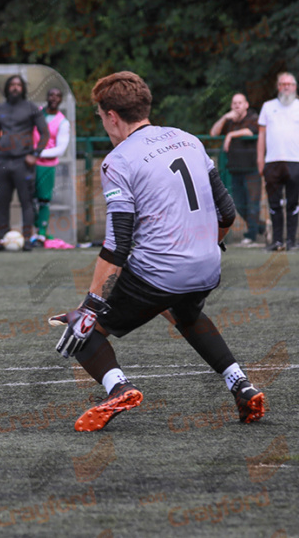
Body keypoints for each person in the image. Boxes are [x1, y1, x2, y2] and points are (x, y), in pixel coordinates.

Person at [52, 71, 264, 432]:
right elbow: (227, 212)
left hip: (161, 269)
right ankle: (241, 384)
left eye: (101, 117)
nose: (103, 124)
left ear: (113, 116)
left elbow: (118, 243)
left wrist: (90, 305)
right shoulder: (189, 140)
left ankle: (118, 386)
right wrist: (206, 244)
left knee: (83, 329)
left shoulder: (118, 160)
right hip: (208, 265)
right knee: (185, 313)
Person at [0, 75, 49, 251]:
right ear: (7, 88)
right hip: (3, 162)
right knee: (0, 201)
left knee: (26, 201)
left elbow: (44, 133)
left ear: (23, 88)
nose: (15, 88)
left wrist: (35, 154)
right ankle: (2, 239)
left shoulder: (31, 108)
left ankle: (28, 239)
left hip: (24, 161)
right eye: (12, 85)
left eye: (18, 85)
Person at [210, 92, 262, 246]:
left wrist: (231, 135)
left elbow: (252, 131)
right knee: (239, 204)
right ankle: (262, 227)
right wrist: (225, 117)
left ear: (246, 104)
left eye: (240, 103)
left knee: (253, 203)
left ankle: (251, 235)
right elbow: (213, 133)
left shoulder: (253, 117)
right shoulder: (230, 120)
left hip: (252, 168)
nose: (237, 106)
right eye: (234, 103)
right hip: (234, 169)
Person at [256, 72, 299, 252]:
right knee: (273, 204)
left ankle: (291, 240)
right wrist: (260, 159)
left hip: (295, 161)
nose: (286, 86)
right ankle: (276, 241)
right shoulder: (267, 107)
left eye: (289, 84)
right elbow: (262, 135)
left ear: (295, 87)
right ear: (278, 86)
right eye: (282, 83)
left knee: (293, 203)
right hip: (272, 162)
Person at [31, 87, 72, 245]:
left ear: (61, 99)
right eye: (51, 94)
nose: (54, 98)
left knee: (43, 200)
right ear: (47, 97)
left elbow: (60, 149)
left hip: (46, 166)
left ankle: (41, 233)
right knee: (28, 199)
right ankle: (32, 231)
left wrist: (36, 153)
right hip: (29, 163)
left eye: (57, 95)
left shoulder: (63, 122)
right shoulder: (37, 113)